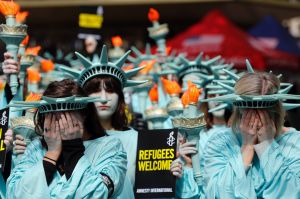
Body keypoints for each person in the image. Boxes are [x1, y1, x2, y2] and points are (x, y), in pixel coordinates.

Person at [6, 79, 127, 198]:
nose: (59, 124)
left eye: (66, 117)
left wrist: (73, 149)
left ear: (84, 114)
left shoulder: (110, 147)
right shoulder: (36, 147)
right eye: (52, 116)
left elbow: (96, 194)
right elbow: (14, 194)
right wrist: (51, 154)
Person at [203, 71, 300, 198]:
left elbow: (292, 193)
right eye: (247, 106)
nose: (255, 115)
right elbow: (216, 194)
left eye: (263, 106)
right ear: (238, 108)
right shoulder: (220, 142)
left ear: (275, 108)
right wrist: (247, 147)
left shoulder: (294, 142)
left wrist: (267, 145)